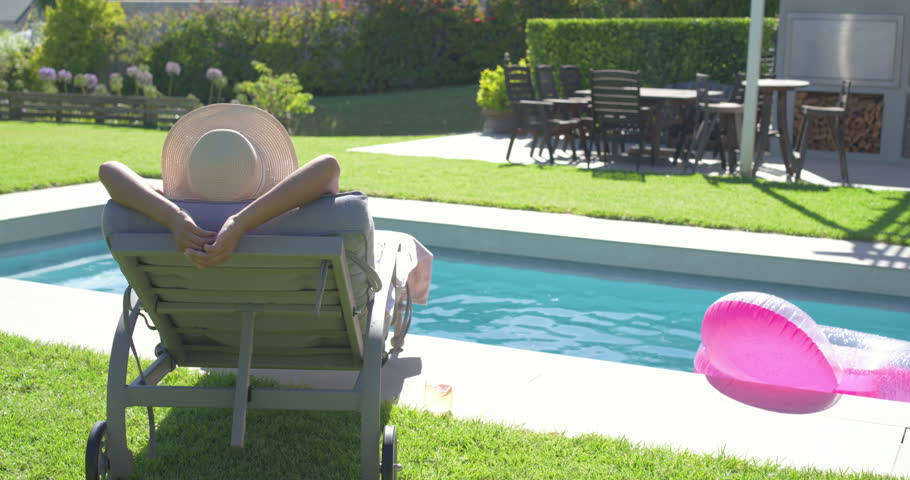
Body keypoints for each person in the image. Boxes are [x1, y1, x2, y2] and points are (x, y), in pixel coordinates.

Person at [98, 103, 340, 269]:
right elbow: (328, 166)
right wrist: (239, 223)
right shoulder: (286, 213)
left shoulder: (179, 216)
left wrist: (174, 216)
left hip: (191, 325)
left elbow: (109, 171)